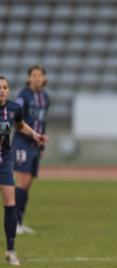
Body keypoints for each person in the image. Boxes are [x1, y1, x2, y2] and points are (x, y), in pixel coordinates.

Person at [0, 76, 48, 266]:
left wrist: (36, 135)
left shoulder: (14, 108)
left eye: (4, 87)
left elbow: (20, 125)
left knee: (10, 204)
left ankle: (11, 250)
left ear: (8, 90)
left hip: (4, 161)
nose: (1, 90)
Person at [11, 65, 50, 234]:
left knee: (28, 184)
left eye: (39, 75)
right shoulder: (23, 95)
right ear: (29, 78)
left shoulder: (46, 97)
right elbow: (16, 119)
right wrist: (31, 135)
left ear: (44, 78)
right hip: (22, 142)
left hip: (35, 144)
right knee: (23, 181)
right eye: (33, 75)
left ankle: (20, 220)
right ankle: (15, 222)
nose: (36, 78)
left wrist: (42, 143)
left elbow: (43, 122)